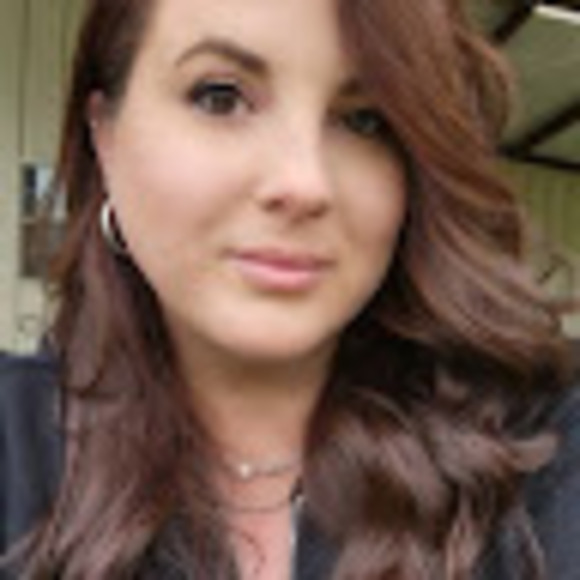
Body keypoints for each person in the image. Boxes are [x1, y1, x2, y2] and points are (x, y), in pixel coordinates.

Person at [1, 0, 579, 578]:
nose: (304, 184)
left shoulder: (543, 446)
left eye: (366, 120)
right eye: (220, 97)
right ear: (105, 135)